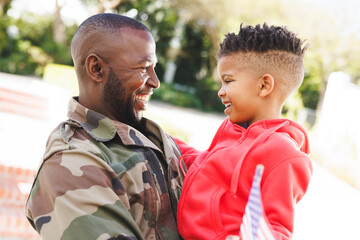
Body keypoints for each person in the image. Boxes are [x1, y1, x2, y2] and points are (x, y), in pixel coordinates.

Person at [25, 13, 184, 240]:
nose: (155, 82)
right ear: (96, 69)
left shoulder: (152, 135)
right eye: (142, 68)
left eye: (154, 68)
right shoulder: (69, 163)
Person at [175, 23, 313, 240]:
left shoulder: (283, 154)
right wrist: (166, 140)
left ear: (264, 85)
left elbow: (277, 230)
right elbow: (206, 165)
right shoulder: (231, 129)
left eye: (228, 81)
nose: (221, 92)